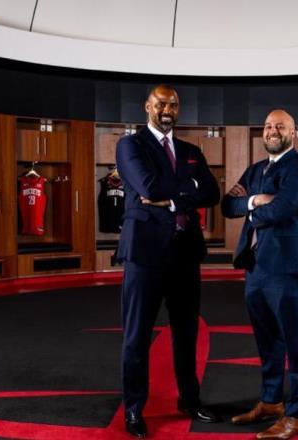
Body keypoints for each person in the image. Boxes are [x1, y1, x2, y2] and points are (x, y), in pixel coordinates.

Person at [116, 84, 221, 438]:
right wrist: (189, 188)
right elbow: (149, 187)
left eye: (173, 105)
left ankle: (190, 400)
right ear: (147, 106)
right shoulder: (131, 146)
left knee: (186, 335)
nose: (167, 110)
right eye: (161, 103)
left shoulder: (191, 150)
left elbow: (212, 192)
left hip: (185, 254)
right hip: (145, 255)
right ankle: (134, 409)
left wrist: (174, 199)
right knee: (137, 337)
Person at [221, 109, 298, 439]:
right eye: (267, 126)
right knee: (267, 341)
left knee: (295, 342)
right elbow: (227, 205)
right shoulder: (255, 169)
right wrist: (256, 201)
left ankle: (297, 415)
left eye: (280, 126)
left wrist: (255, 209)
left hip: (289, 267)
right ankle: (272, 402)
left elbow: (282, 209)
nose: (272, 131)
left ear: (294, 132)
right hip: (257, 266)